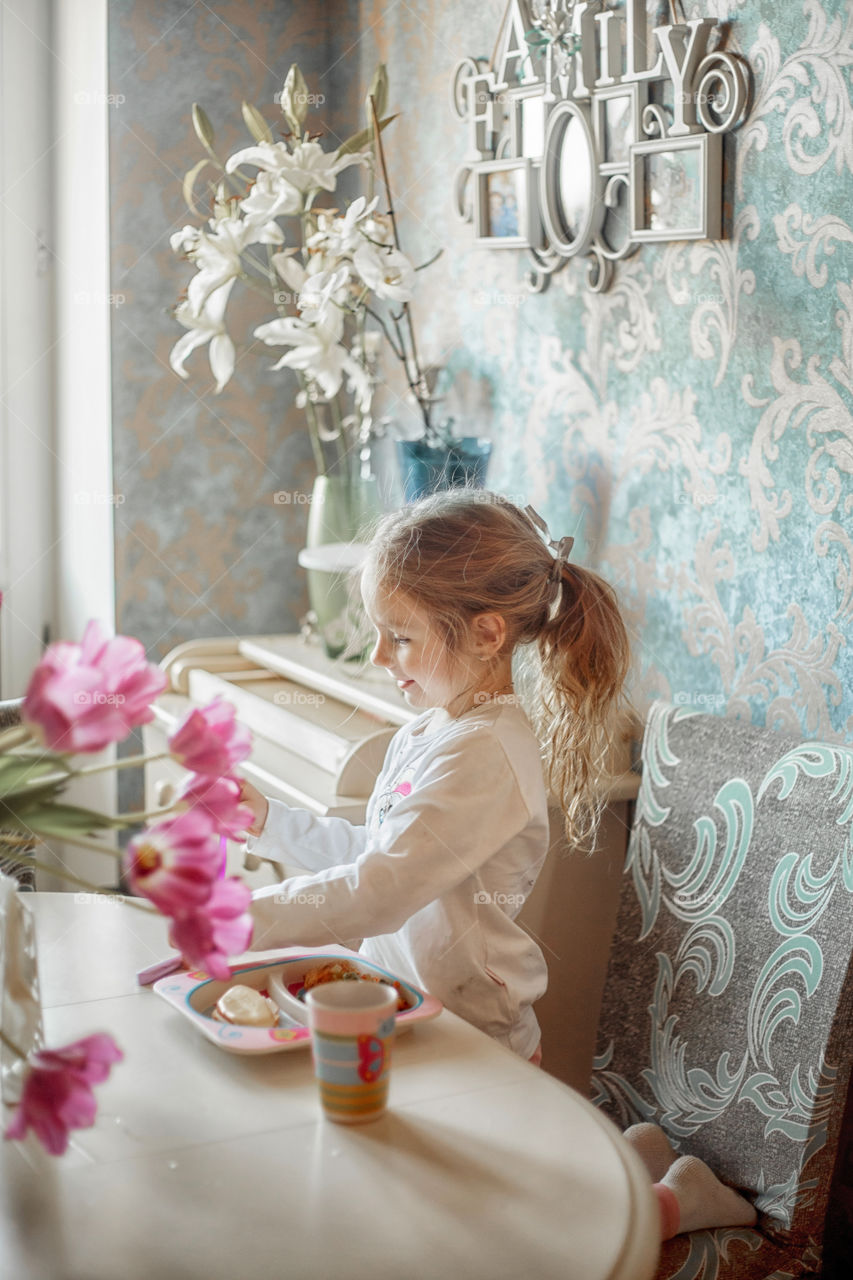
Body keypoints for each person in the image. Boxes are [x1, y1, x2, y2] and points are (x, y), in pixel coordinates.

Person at [239, 489, 630, 1063]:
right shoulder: (429, 730)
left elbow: (382, 889)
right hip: (408, 1010)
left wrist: (236, 920)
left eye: (399, 637)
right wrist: (271, 823)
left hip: (471, 1040)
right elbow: (381, 856)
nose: (378, 657)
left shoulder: (485, 754)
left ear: (487, 635)